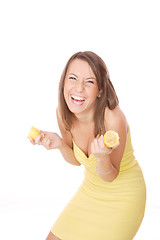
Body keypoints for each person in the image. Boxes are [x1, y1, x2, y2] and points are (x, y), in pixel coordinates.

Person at [30, 51, 146, 240]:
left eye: (89, 82)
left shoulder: (113, 118)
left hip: (123, 196)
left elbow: (110, 176)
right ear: (63, 82)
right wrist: (60, 144)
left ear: (100, 89)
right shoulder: (63, 113)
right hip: (90, 191)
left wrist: (102, 158)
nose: (79, 88)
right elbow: (77, 161)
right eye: (73, 78)